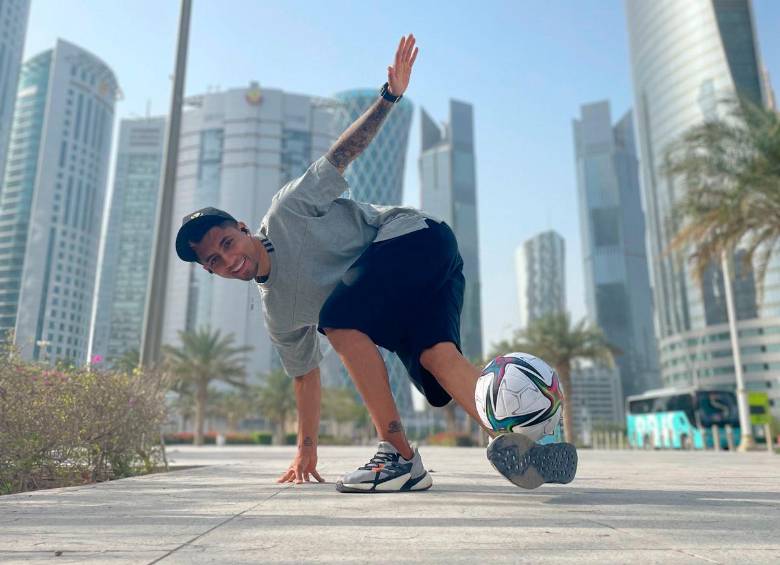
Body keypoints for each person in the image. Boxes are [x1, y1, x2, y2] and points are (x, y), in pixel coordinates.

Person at [174, 34, 577, 493]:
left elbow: (342, 155)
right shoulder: (279, 314)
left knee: (337, 318)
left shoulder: (288, 211)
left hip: (415, 239)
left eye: (228, 242)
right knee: (437, 364)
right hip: (414, 284)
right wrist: (306, 447)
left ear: (243, 229)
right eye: (215, 261)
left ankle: (400, 457)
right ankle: (526, 446)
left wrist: (390, 97)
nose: (230, 259)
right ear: (211, 271)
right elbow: (305, 376)